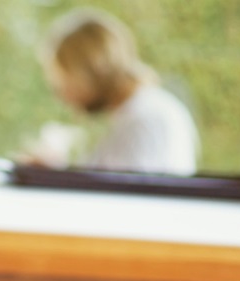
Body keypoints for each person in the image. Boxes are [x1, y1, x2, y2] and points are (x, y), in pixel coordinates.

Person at [38, 8, 198, 174]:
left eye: (66, 84)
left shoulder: (145, 121)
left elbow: (122, 194)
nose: (65, 97)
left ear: (93, 70)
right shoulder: (130, 115)